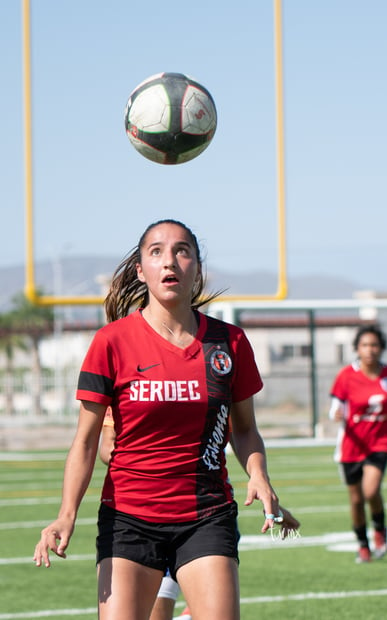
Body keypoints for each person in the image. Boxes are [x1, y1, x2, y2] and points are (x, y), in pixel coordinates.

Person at [33, 219, 300, 620]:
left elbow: (245, 430)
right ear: (141, 270)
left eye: (182, 250)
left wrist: (259, 475)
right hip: (129, 518)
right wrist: (66, 514)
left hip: (206, 515)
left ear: (196, 267)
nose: (169, 260)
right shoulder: (112, 342)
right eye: (156, 251)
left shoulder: (230, 343)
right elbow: (87, 442)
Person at [99, 408, 188, 620]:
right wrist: (141, 460)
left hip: (194, 512)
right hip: (139, 513)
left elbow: (242, 431)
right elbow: (106, 445)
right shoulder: (126, 385)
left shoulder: (202, 382)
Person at [329, 323, 387, 564]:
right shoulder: (346, 375)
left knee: (370, 490)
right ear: (357, 349)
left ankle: (380, 531)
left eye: (374, 345)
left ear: (381, 348)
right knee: (356, 500)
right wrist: (336, 414)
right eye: (364, 345)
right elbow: (335, 408)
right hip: (352, 445)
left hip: (379, 442)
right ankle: (363, 545)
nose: (370, 349)